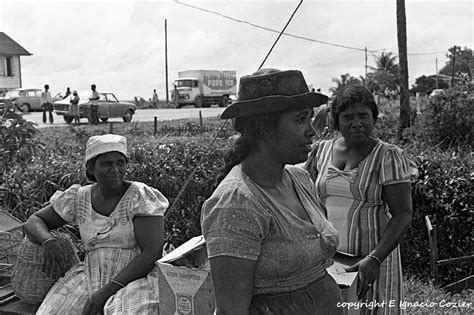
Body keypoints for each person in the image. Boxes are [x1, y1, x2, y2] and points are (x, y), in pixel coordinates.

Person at [201, 69, 343, 314]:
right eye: (300, 120)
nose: (312, 131)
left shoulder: (300, 179)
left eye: (310, 118)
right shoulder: (236, 203)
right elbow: (231, 310)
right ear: (264, 129)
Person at [24, 134, 169, 314]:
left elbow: (151, 253)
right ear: (91, 168)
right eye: (106, 164)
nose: (115, 169)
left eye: (120, 162)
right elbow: (34, 221)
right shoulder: (79, 197)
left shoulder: (139, 196)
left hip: (136, 275)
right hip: (89, 274)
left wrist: (107, 291)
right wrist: (48, 242)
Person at [305, 85, 418, 314]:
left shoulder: (387, 155)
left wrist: (375, 259)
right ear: (336, 121)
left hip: (374, 258)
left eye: (363, 116)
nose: (356, 123)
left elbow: (403, 213)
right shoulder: (321, 151)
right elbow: (307, 201)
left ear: (374, 118)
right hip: (332, 260)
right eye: (348, 117)